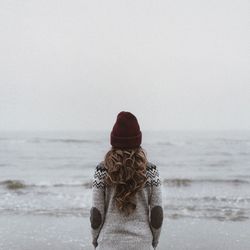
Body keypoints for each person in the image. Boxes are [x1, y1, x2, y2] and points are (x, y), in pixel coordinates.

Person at [89, 111, 164, 250]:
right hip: (141, 243)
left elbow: (96, 214)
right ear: (138, 140)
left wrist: (95, 240)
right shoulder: (151, 171)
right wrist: (154, 241)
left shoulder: (102, 169)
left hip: (108, 243)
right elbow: (157, 213)